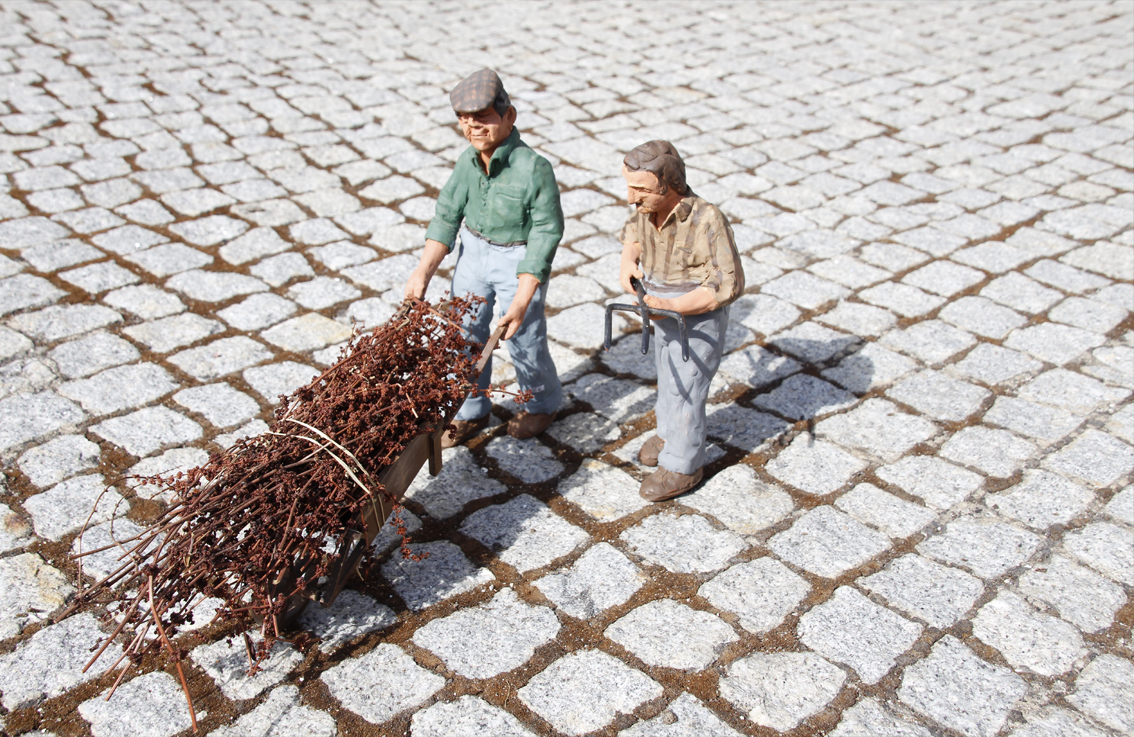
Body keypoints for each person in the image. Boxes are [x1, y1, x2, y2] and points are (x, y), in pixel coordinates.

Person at [405, 69, 564, 447]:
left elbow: (545, 233)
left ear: (509, 116)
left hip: (517, 258)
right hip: (472, 253)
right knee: (464, 333)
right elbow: (446, 215)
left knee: (523, 335)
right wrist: (423, 271)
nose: (473, 127)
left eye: (483, 118)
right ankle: (471, 407)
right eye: (464, 120)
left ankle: (542, 402)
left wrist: (523, 297)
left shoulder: (534, 169)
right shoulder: (466, 162)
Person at [618, 140, 745, 501]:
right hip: (660, 310)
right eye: (629, 187)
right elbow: (633, 235)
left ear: (669, 186)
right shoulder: (645, 209)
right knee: (667, 375)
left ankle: (683, 464)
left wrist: (673, 306)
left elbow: (727, 283)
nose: (631, 198)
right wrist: (629, 263)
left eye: (640, 189)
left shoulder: (708, 220)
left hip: (697, 319)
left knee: (687, 387)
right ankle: (667, 432)